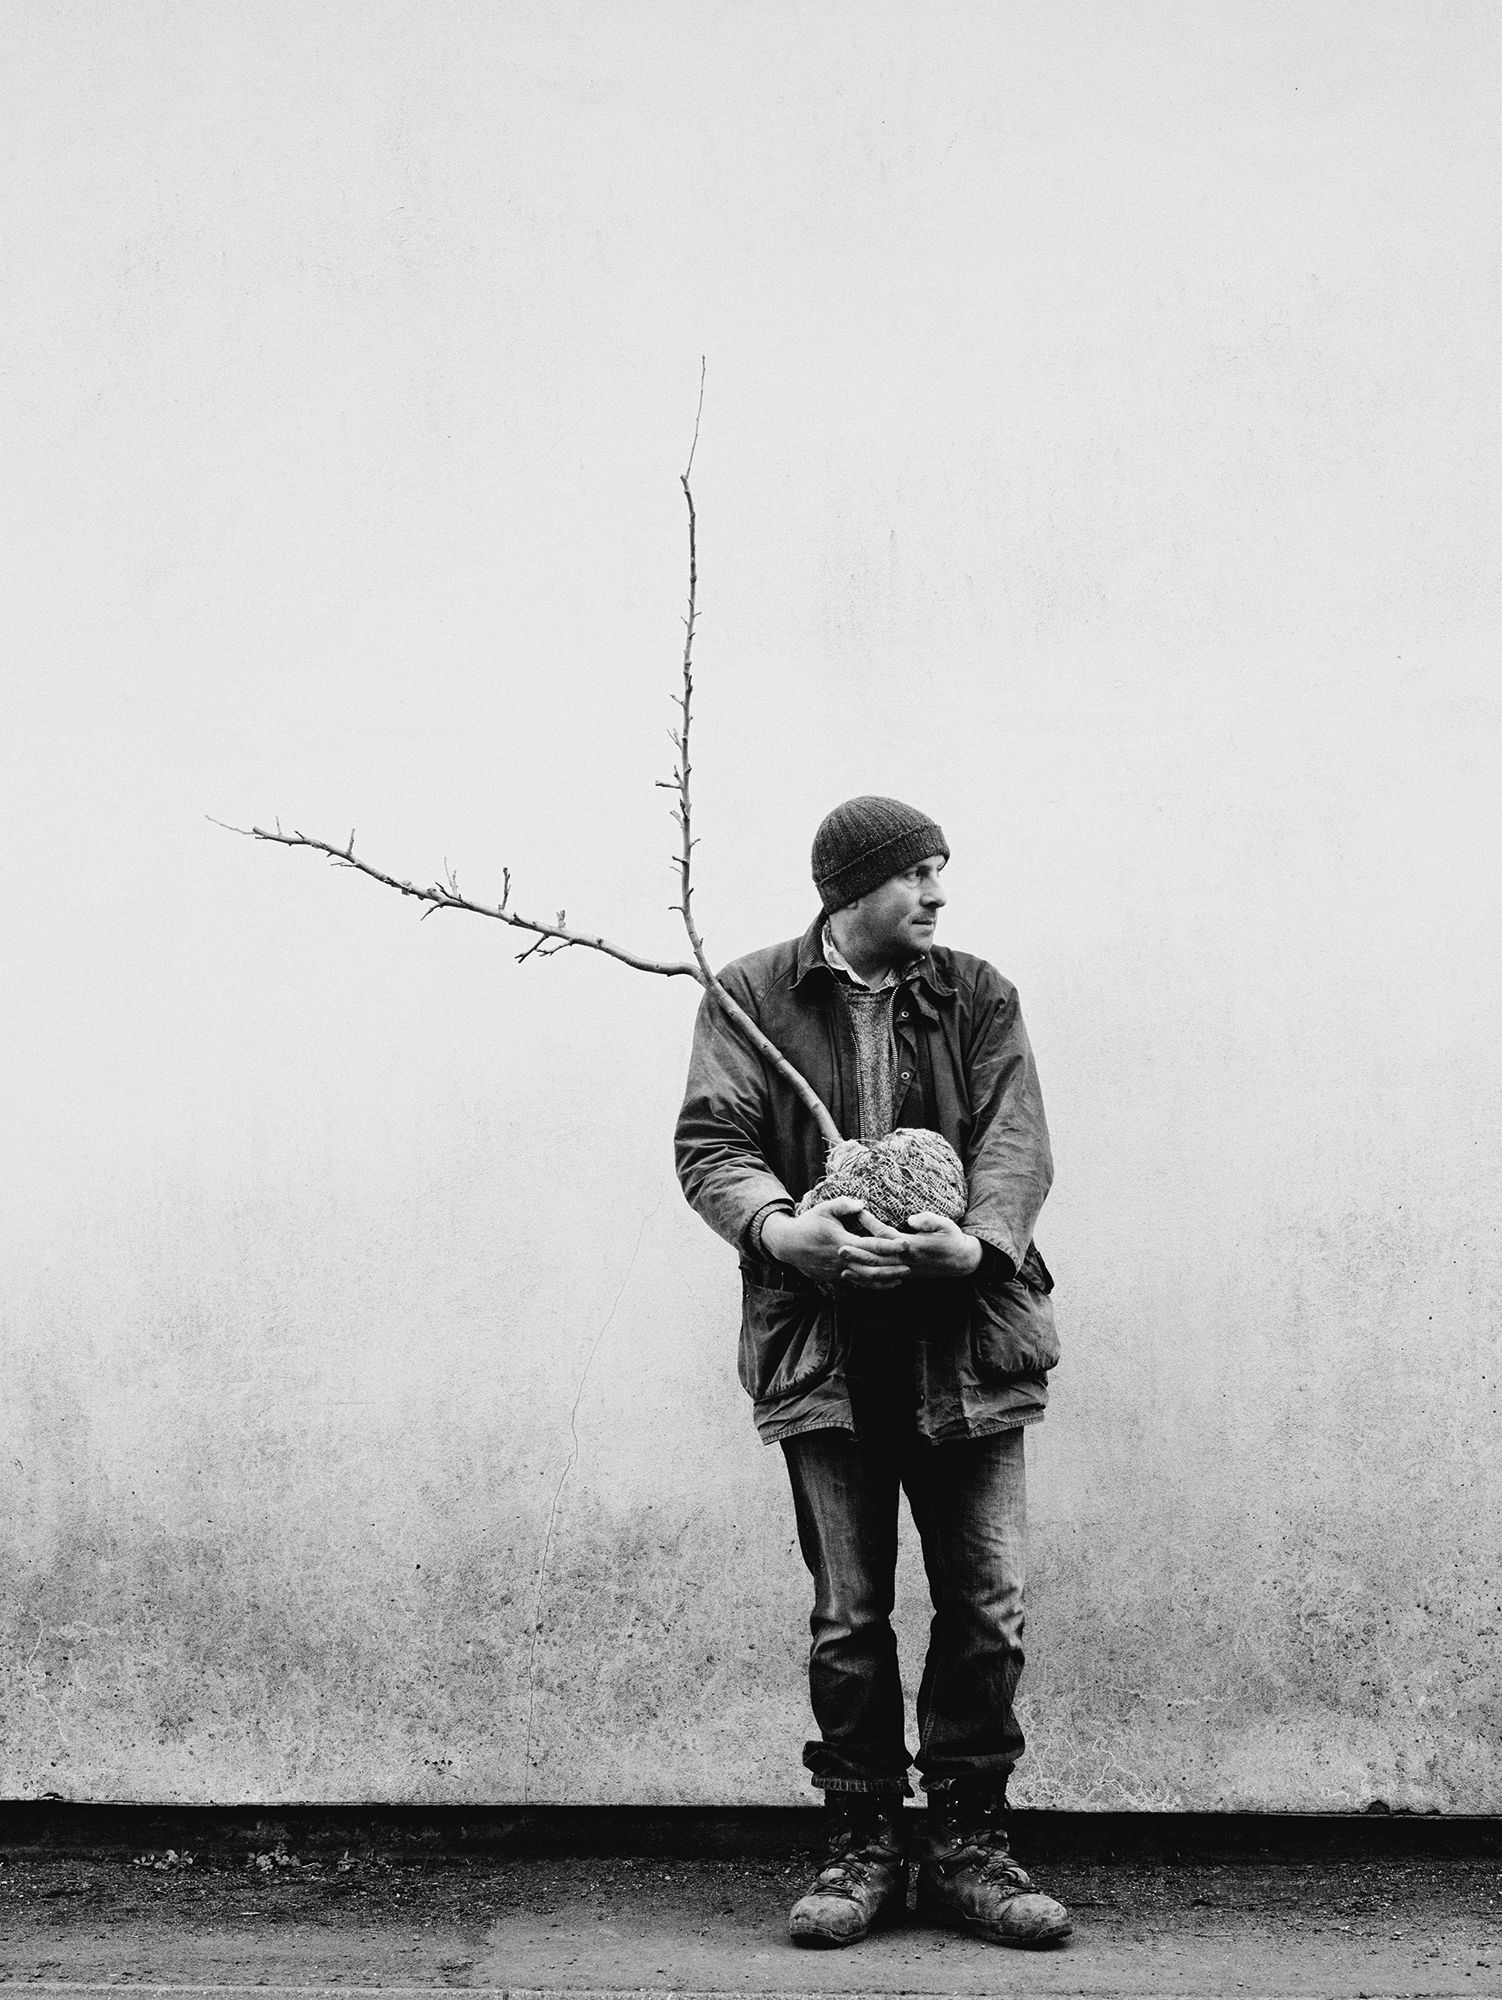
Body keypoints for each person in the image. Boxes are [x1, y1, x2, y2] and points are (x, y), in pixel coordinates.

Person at [674, 795, 1069, 1951]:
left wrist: (979, 1243)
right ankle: (860, 1840)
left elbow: (1015, 1138)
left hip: (969, 1347)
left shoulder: (979, 992)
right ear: (851, 891)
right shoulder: (747, 997)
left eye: (942, 872)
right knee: (847, 1615)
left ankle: (966, 1842)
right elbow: (711, 1142)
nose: (939, 895)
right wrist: (777, 1229)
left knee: (985, 1609)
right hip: (824, 1352)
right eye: (919, 875)